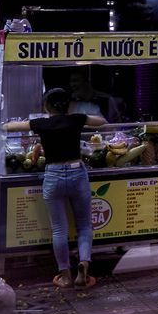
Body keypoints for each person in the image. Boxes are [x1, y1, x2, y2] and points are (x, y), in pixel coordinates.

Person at [32, 88, 106, 288]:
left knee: (59, 229)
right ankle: (83, 265)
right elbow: (102, 121)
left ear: (46, 106)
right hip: (77, 173)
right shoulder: (76, 119)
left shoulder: (41, 123)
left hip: (53, 175)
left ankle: (65, 275)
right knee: (84, 225)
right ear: (68, 106)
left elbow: (10, 127)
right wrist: (81, 117)